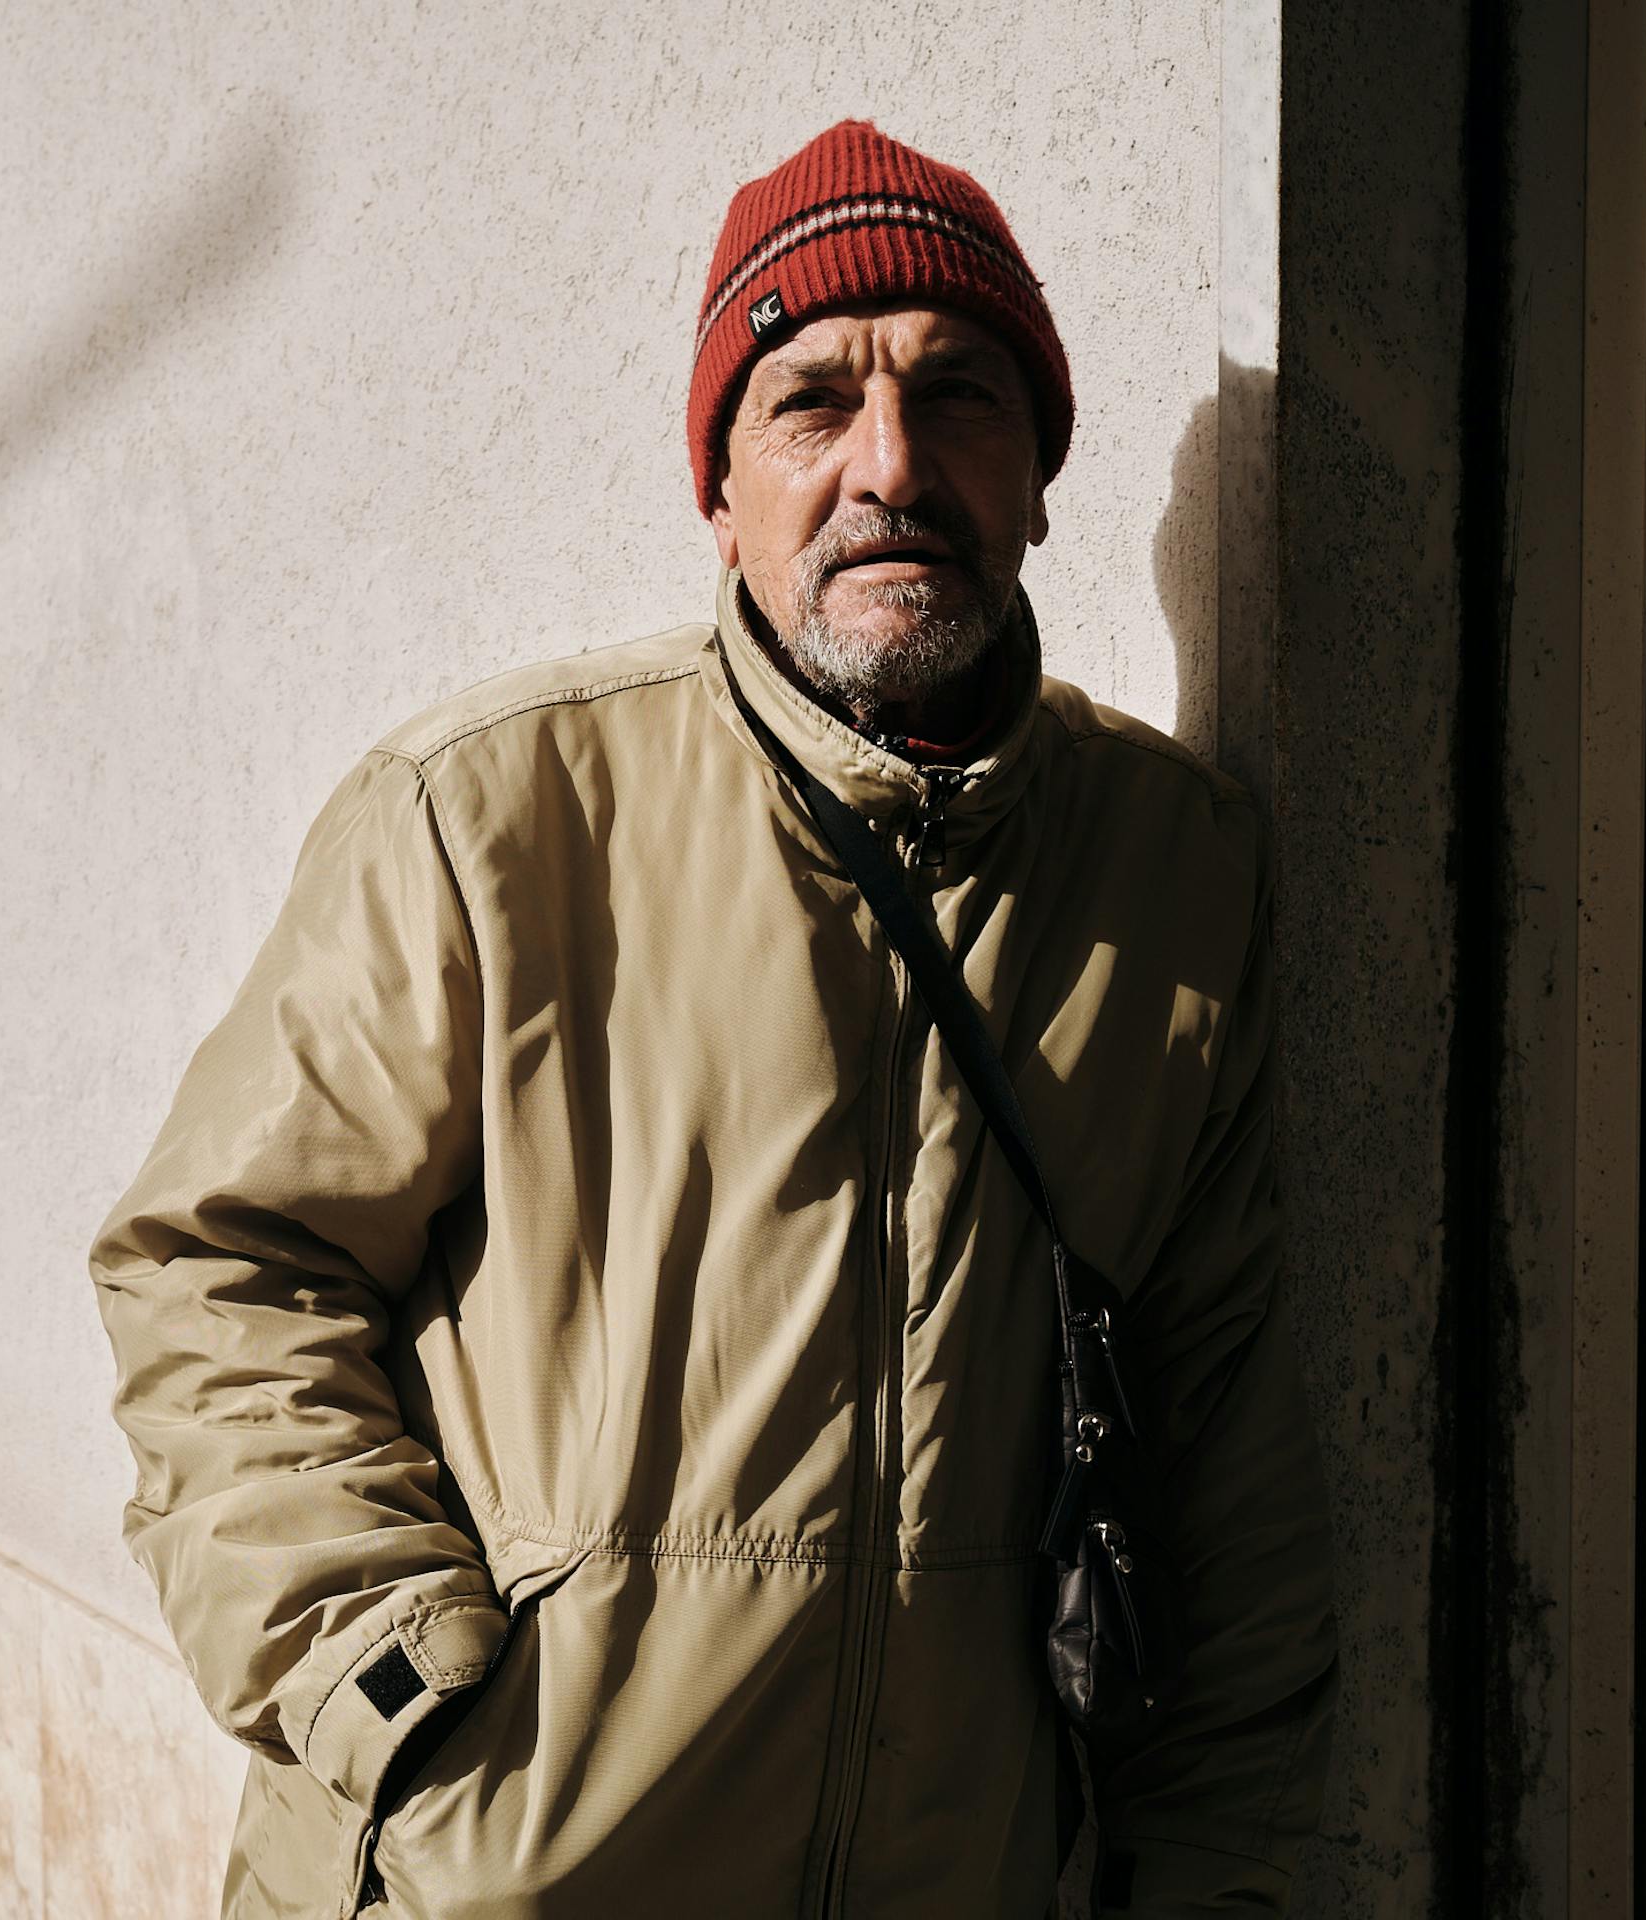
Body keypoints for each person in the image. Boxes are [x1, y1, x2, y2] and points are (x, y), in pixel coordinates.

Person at [91, 119, 1338, 1918]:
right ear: (722, 492)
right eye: (812, 403)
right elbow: (218, 1267)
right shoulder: (493, 818)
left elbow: (1223, 1431)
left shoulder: (1175, 871)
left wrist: (1206, 1873)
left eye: (960, 396)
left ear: (1040, 476)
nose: (889, 464)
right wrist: (401, 1705)